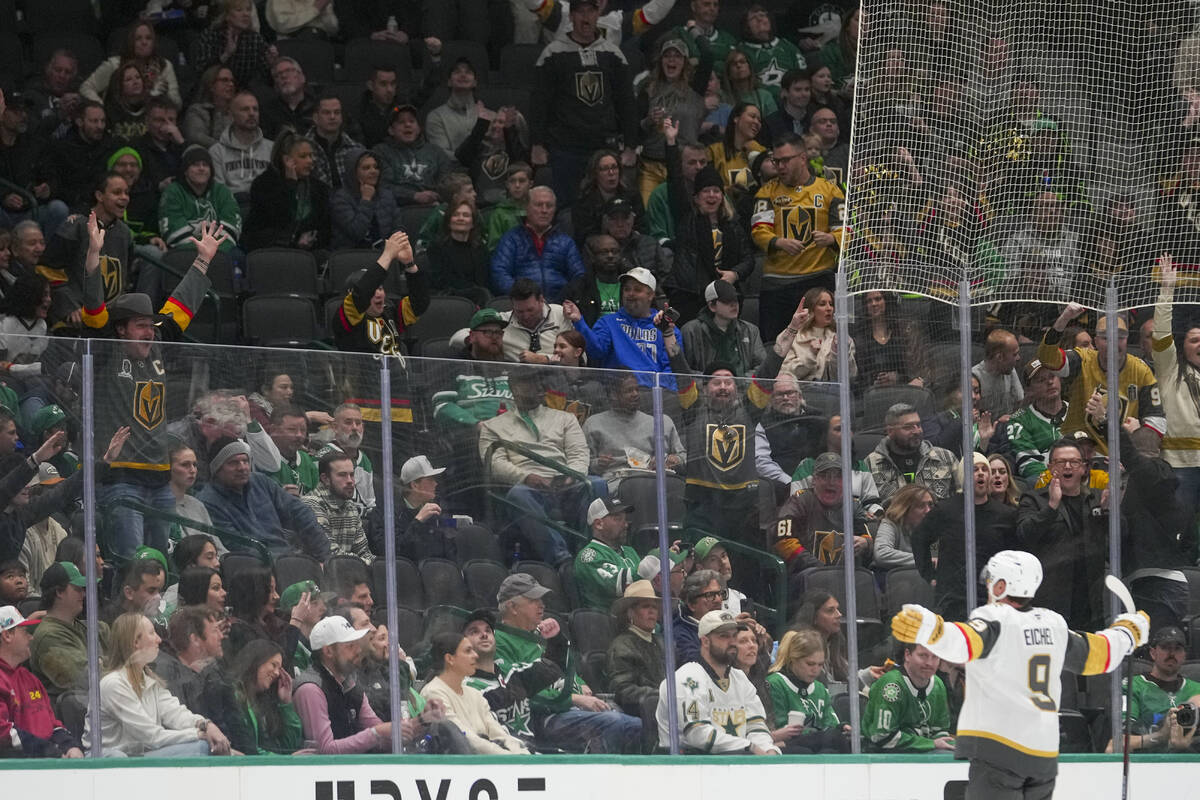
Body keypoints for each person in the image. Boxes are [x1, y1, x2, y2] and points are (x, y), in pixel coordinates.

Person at [891, 550, 1148, 799]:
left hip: (1000, 748)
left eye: (991, 581)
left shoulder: (995, 619)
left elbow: (965, 642)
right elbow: (1098, 655)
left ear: (1001, 586)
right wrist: (1128, 632)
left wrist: (933, 632)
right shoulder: (1053, 624)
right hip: (1043, 753)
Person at [83, 218, 223, 557]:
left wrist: (203, 260)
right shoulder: (105, 350)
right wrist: (93, 255)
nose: (149, 332)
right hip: (120, 479)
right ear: (120, 330)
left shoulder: (157, 344)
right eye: (141, 326)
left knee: (160, 563)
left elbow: (183, 305)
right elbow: (93, 306)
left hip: (160, 480)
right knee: (131, 561)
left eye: (151, 325)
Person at [492, 573, 641, 752]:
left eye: (541, 600)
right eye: (533, 600)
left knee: (638, 723)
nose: (542, 605)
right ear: (512, 607)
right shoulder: (497, 641)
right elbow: (515, 691)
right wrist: (574, 698)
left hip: (571, 709)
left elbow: (566, 671)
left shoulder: (540, 635)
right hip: (544, 717)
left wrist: (578, 681)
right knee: (619, 724)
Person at [478, 368, 593, 565]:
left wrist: (572, 475)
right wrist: (526, 477)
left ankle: (590, 554)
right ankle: (562, 558)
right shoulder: (492, 426)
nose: (539, 388)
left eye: (540, 383)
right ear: (514, 388)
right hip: (529, 486)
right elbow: (495, 464)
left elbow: (579, 454)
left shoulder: (565, 418)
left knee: (597, 484)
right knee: (518, 495)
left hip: (565, 483)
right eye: (531, 383)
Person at [531, 0, 638, 208]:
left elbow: (626, 103)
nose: (585, 17)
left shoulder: (613, 54)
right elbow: (539, 102)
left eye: (591, 11)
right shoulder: (553, 53)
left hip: (603, 148)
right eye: (580, 11)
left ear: (598, 14)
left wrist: (631, 146)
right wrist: (537, 143)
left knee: (607, 208)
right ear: (571, 16)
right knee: (565, 209)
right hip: (564, 148)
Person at [86, 612, 232, 757]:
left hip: (137, 756)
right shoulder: (113, 685)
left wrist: (206, 725)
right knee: (201, 747)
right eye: (151, 633)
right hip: (107, 764)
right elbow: (151, 736)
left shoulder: (150, 682)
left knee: (204, 747)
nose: (159, 639)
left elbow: (176, 715)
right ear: (135, 642)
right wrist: (199, 734)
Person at [750, 132, 845, 342]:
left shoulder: (830, 190)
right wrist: (778, 242)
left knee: (823, 344)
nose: (780, 167)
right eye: (776, 161)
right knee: (775, 346)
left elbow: (846, 229)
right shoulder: (766, 192)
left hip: (817, 280)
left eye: (785, 161)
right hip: (777, 284)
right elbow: (758, 230)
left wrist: (831, 239)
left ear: (802, 158)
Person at [1036, 302, 1164, 455]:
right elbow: (1047, 358)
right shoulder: (1082, 359)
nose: (1113, 343)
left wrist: (1138, 442)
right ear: (1096, 342)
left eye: (1120, 337)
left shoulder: (1141, 371)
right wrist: (1064, 318)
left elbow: (1157, 420)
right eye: (1106, 338)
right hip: (1079, 454)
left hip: (1122, 457)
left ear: (1127, 339)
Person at [657, 608, 780, 754]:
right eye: (724, 636)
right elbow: (697, 735)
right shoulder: (688, 679)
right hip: (689, 766)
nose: (732, 641)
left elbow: (756, 727)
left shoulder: (740, 678)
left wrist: (769, 750)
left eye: (734, 635)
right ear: (705, 641)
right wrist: (748, 746)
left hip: (734, 761)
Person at [1015, 438, 1108, 630]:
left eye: (1074, 462)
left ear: (1083, 468)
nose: (1068, 466)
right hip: (1051, 602)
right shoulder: (1034, 500)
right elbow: (1024, 535)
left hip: (1092, 603)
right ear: (1050, 468)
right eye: (1060, 462)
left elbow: (1119, 538)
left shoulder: (1096, 500)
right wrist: (1051, 507)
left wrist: (1108, 512)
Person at [912, 452, 1017, 620]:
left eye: (984, 469)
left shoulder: (1005, 515)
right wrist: (930, 574)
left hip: (991, 598)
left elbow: (1013, 554)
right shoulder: (945, 510)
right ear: (963, 476)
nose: (981, 473)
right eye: (974, 470)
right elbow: (919, 539)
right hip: (953, 599)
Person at [197, 436, 332, 560]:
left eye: (245, 461)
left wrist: (324, 558)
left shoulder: (260, 482)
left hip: (288, 557)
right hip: (253, 569)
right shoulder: (208, 501)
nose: (242, 467)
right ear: (217, 468)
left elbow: (300, 512)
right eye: (233, 463)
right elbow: (237, 547)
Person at [564, 267, 688, 388]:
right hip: (617, 394)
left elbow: (672, 368)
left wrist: (659, 393)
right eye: (627, 289)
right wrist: (579, 321)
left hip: (655, 394)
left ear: (650, 295)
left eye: (637, 290)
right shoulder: (609, 322)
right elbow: (596, 351)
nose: (630, 294)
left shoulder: (664, 326)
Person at [292, 615, 393, 754]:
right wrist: (375, 733)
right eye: (350, 646)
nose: (358, 651)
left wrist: (418, 724)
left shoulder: (350, 684)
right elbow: (325, 750)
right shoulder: (310, 689)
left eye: (356, 645)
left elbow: (383, 736)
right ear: (328, 651)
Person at [44, 171, 132, 325]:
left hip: (108, 322)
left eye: (126, 192)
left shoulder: (125, 234)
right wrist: (69, 306)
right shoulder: (74, 226)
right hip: (73, 319)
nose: (124, 197)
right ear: (99, 196)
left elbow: (123, 280)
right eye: (117, 192)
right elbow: (48, 269)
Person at [421, 631, 530, 754]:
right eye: (468, 651)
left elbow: (498, 733)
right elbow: (464, 739)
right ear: (450, 659)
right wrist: (508, 757)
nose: (475, 655)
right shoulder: (434, 693)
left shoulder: (475, 694)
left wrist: (522, 754)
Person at [461, 608, 562, 742]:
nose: (484, 635)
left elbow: (552, 669)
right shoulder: (469, 689)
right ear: (462, 643)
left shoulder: (512, 672)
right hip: (505, 758)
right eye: (475, 632)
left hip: (533, 753)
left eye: (488, 631)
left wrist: (554, 639)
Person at [0, 605, 83, 757]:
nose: (31, 637)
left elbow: (51, 724)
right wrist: (48, 751)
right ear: (7, 636)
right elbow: (3, 733)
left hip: (44, 766)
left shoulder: (29, 679)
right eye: (24, 632)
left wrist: (69, 745)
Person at [332, 231, 430, 358]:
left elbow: (420, 303)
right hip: (367, 377)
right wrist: (388, 255)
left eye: (380, 288)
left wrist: (410, 264)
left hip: (396, 377)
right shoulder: (347, 319)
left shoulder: (390, 314)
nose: (378, 294)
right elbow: (362, 293)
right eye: (373, 290)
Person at [771, 452, 872, 575]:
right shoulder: (799, 501)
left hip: (846, 577)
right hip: (806, 575)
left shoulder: (853, 505)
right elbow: (783, 542)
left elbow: (866, 536)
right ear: (814, 480)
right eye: (824, 476)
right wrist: (819, 568)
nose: (831, 482)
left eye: (838, 477)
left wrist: (865, 543)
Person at [583, 371, 685, 491]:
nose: (635, 394)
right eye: (629, 391)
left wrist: (675, 460)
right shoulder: (594, 423)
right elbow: (582, 463)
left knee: (677, 486)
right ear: (613, 395)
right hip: (616, 483)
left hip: (654, 478)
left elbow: (684, 457)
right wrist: (597, 464)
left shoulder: (659, 422)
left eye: (637, 389)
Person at [1106, 625, 1200, 754]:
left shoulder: (1197, 690)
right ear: (1153, 653)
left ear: (1184, 655)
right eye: (1165, 648)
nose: (1171, 654)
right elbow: (1116, 744)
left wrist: (1189, 743)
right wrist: (1161, 736)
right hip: (1145, 766)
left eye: (1177, 649)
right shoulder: (1133, 686)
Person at [28, 562, 110, 704]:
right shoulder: (49, 636)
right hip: (75, 718)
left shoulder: (90, 627)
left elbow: (127, 651)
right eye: (78, 589)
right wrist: (116, 662)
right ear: (59, 592)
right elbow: (85, 678)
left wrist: (105, 662)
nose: (84, 594)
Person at [490, 186, 584, 304]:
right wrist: (522, 295)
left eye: (549, 206)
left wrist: (564, 299)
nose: (544, 210)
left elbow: (579, 276)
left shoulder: (565, 242)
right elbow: (499, 272)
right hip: (522, 306)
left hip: (560, 306)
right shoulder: (511, 239)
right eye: (539, 205)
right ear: (527, 207)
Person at [765, 628, 849, 754]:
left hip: (819, 745)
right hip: (789, 746)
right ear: (794, 659)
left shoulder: (820, 688)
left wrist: (842, 727)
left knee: (836, 742)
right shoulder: (775, 683)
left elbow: (830, 723)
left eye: (820, 665)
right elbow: (779, 726)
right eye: (810, 664)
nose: (816, 670)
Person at [242, 132, 330, 252]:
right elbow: (278, 219)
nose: (310, 161)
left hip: (309, 252)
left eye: (311, 155)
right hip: (269, 248)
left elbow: (325, 228)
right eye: (303, 156)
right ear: (286, 160)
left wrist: (312, 239)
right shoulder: (263, 185)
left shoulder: (320, 188)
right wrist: (290, 185)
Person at [862, 642, 954, 753]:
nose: (929, 663)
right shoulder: (892, 686)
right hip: (883, 756)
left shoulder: (938, 685)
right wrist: (931, 744)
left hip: (922, 752)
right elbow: (882, 737)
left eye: (935, 657)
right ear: (907, 655)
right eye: (923, 656)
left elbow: (940, 732)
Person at [866, 403, 961, 505]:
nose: (917, 431)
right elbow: (868, 509)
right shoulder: (871, 464)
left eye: (918, 425)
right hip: (893, 520)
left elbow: (963, 499)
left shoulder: (945, 458)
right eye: (908, 427)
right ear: (890, 431)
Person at [607, 580, 666, 744]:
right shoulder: (622, 645)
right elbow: (623, 690)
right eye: (645, 607)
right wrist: (661, 696)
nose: (652, 612)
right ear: (630, 613)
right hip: (643, 714)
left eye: (654, 607)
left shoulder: (664, 643)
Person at [223, 639, 304, 755]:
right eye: (273, 665)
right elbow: (249, 749)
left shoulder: (263, 702)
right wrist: (286, 761)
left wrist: (286, 703)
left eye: (279, 669)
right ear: (256, 661)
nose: (276, 673)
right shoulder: (233, 694)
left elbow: (287, 747)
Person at [368, 455, 454, 563]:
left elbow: (447, 540)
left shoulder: (434, 509)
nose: (435, 484)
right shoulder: (385, 514)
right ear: (415, 485)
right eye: (430, 479)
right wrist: (418, 521)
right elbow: (394, 553)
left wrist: (457, 522)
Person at [157, 145, 242, 252]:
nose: (201, 168)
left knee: (238, 257)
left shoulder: (222, 191)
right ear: (185, 170)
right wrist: (203, 252)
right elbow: (174, 233)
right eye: (195, 165)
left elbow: (232, 227)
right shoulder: (173, 192)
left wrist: (215, 250)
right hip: (185, 252)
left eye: (205, 165)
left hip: (222, 251)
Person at [375, 104, 456, 208]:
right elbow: (383, 186)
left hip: (433, 207)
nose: (408, 125)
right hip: (397, 209)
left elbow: (447, 183)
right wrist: (414, 196)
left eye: (412, 121)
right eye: (401, 122)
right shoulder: (381, 152)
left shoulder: (436, 152)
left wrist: (434, 197)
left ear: (418, 128)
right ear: (391, 130)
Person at [155, 605, 227, 720]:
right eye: (214, 631)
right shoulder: (169, 677)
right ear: (195, 640)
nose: (221, 636)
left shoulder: (210, 672)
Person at [82, 22, 180, 106]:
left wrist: (165, 95)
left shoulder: (164, 66)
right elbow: (86, 87)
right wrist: (101, 108)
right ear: (130, 42)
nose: (144, 42)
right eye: (138, 39)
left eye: (148, 38)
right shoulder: (114, 64)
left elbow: (177, 104)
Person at [681, 280, 764, 376]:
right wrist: (710, 382)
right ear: (712, 306)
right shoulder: (691, 331)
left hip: (743, 389)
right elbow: (683, 372)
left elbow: (762, 368)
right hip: (704, 389)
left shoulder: (750, 330)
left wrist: (739, 383)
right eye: (727, 301)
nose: (734, 305)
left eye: (736, 299)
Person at [302, 452, 374, 563]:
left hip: (346, 573)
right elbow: (330, 554)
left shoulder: (350, 507)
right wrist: (365, 563)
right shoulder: (311, 504)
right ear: (325, 479)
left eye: (352, 474)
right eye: (342, 475)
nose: (350, 481)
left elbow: (364, 552)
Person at [1006, 359, 1066, 482]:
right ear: (1029, 390)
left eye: (1052, 376)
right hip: (1046, 484)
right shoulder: (1019, 420)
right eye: (1041, 380)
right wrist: (1058, 483)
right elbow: (1029, 465)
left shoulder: (1079, 411)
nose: (1049, 382)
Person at [574, 497, 639, 610]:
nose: (625, 525)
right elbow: (620, 586)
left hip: (636, 619)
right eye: (618, 519)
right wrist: (654, 560)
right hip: (606, 623)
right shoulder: (589, 556)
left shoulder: (629, 551)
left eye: (625, 519)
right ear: (599, 524)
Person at [194, 0, 275, 89]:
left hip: (242, 92)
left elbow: (269, 79)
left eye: (248, 10)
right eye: (239, 10)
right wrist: (226, 54)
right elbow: (203, 75)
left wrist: (272, 64)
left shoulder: (255, 39)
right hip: (213, 92)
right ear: (227, 15)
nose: (246, 14)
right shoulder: (210, 36)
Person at [208, 91, 272, 199]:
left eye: (255, 109)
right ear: (232, 115)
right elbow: (218, 193)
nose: (252, 113)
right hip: (233, 207)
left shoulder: (272, 148)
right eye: (245, 109)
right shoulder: (216, 152)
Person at [315, 404, 376, 514]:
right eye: (348, 422)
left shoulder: (365, 460)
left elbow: (370, 503)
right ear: (335, 427)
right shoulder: (322, 458)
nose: (354, 428)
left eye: (358, 423)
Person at [737, 5, 805, 102]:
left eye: (762, 15)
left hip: (794, 96)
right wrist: (775, 92)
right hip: (763, 101)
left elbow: (802, 72)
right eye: (754, 18)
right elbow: (747, 83)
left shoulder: (787, 46)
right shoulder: (742, 51)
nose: (760, 19)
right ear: (746, 26)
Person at [873, 485, 935, 571]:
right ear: (905, 509)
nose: (928, 510)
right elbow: (881, 554)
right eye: (921, 506)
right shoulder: (890, 523)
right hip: (892, 579)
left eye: (930, 505)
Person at [306, 95, 361, 191]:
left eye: (337, 112)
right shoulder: (302, 150)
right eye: (326, 113)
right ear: (315, 117)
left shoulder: (355, 149)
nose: (332, 117)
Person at [672, 569, 727, 665]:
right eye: (710, 595)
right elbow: (695, 664)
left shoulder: (730, 627)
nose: (718, 600)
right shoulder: (679, 633)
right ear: (691, 604)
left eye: (720, 593)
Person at [262, 405, 318, 496]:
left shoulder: (307, 459)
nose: (299, 435)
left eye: (303, 430)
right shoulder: (263, 461)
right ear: (273, 430)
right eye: (292, 429)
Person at [972, 329, 1024, 421]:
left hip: (1009, 427)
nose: (1018, 358)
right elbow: (971, 418)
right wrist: (998, 423)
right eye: (1014, 354)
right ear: (999, 357)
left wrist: (1013, 418)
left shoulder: (1009, 370)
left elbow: (1020, 402)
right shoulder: (974, 377)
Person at [182, 66, 236, 148]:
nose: (231, 84)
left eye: (232, 81)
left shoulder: (237, 113)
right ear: (211, 85)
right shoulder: (197, 111)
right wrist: (226, 150)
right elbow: (196, 137)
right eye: (225, 80)